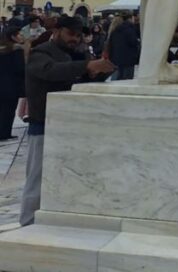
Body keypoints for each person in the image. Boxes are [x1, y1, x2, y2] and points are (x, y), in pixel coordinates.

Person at [21, 16, 115, 225]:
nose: (75, 39)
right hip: (43, 124)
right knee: (37, 178)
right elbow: (50, 72)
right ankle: (27, 222)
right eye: (70, 34)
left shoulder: (77, 54)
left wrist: (98, 71)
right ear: (57, 32)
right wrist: (87, 65)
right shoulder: (41, 52)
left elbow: (79, 82)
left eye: (78, 35)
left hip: (70, 126)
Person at [0, 28, 27, 140]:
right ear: (13, 37)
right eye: (19, 34)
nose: (22, 36)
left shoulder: (2, 49)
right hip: (12, 84)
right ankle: (5, 133)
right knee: (9, 111)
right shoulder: (17, 50)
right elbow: (19, 68)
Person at [107, 13, 141, 80]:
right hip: (129, 60)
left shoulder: (114, 30)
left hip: (115, 59)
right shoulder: (130, 29)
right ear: (130, 18)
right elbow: (133, 42)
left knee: (116, 80)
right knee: (127, 80)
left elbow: (111, 45)